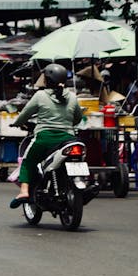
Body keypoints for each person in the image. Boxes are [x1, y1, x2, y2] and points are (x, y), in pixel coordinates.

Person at [9, 63, 83, 209]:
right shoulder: (73, 97)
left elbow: (25, 114)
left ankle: (24, 191)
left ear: (47, 80)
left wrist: (17, 123)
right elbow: (78, 118)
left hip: (45, 138)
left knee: (27, 162)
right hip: (68, 139)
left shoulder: (40, 95)